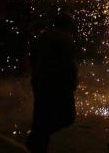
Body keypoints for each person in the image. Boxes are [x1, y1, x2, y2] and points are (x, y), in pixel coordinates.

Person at [27, 12, 78, 153]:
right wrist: (73, 82)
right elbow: (70, 65)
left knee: (41, 114)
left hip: (40, 81)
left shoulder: (44, 36)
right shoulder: (65, 39)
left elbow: (33, 58)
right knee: (67, 117)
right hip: (58, 84)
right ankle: (38, 138)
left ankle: (38, 141)